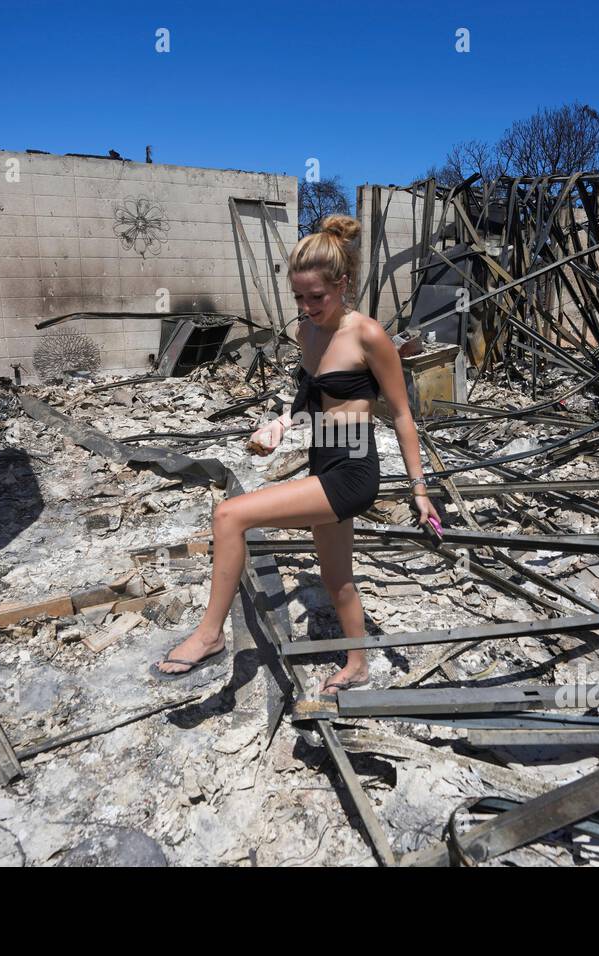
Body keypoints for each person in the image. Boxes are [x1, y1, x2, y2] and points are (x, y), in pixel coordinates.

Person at [152, 214, 441, 694]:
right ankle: (358, 664)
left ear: (342, 284)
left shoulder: (367, 334)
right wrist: (281, 424)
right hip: (322, 458)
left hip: (352, 471)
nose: (307, 308)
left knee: (230, 516)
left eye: (317, 298)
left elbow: (404, 414)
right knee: (335, 577)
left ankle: (209, 637)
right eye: (299, 298)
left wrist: (419, 488)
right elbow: (311, 400)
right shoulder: (307, 333)